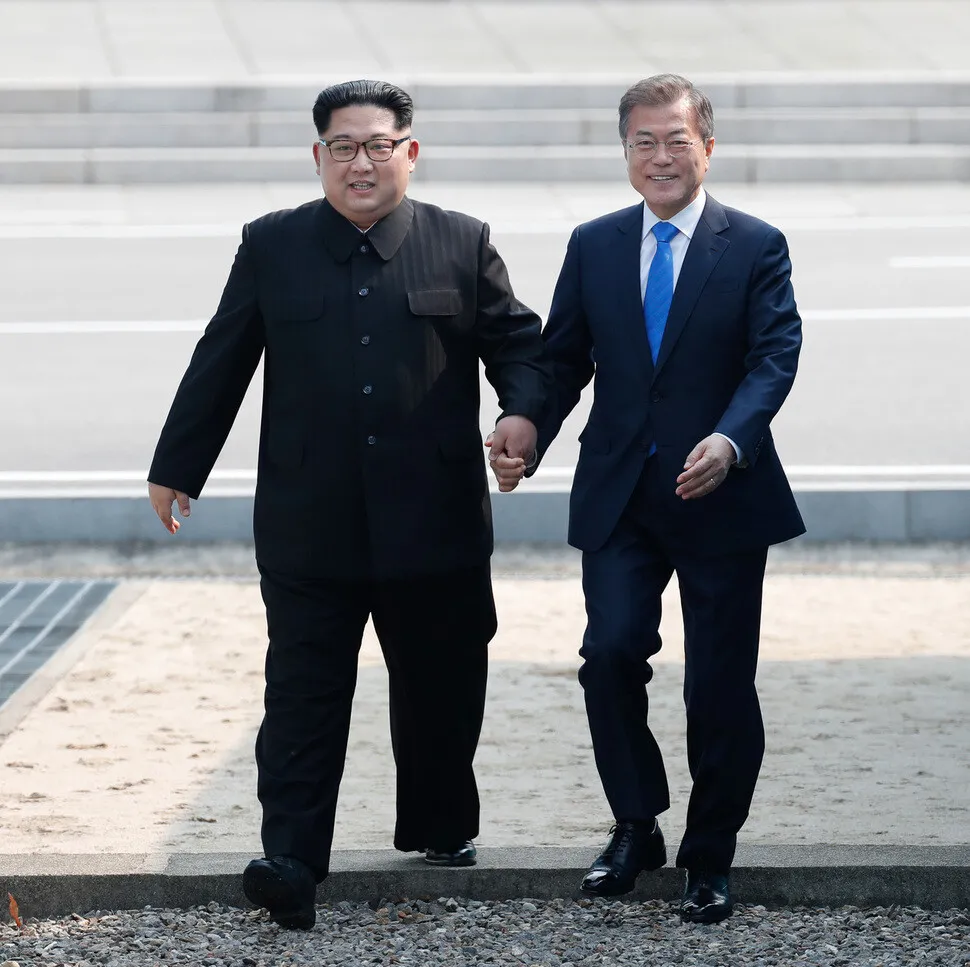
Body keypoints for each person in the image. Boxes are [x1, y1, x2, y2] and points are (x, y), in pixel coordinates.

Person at [147, 79, 546, 930]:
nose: (358, 162)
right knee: (301, 690)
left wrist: (521, 413)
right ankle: (291, 857)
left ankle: (441, 824)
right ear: (317, 154)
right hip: (308, 518)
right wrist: (178, 464)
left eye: (376, 145)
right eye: (341, 146)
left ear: (410, 150)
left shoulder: (461, 243)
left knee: (442, 681)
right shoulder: (272, 244)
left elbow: (520, 344)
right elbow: (221, 358)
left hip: (433, 515)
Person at [491, 73, 805, 923]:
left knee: (720, 686)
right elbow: (561, 361)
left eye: (676, 140)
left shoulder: (755, 243)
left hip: (722, 494)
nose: (660, 156)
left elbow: (774, 356)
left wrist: (731, 440)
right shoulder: (594, 243)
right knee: (610, 656)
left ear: (708, 145)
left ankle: (711, 857)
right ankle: (638, 824)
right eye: (643, 141)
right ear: (624, 151)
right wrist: (524, 423)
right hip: (622, 493)